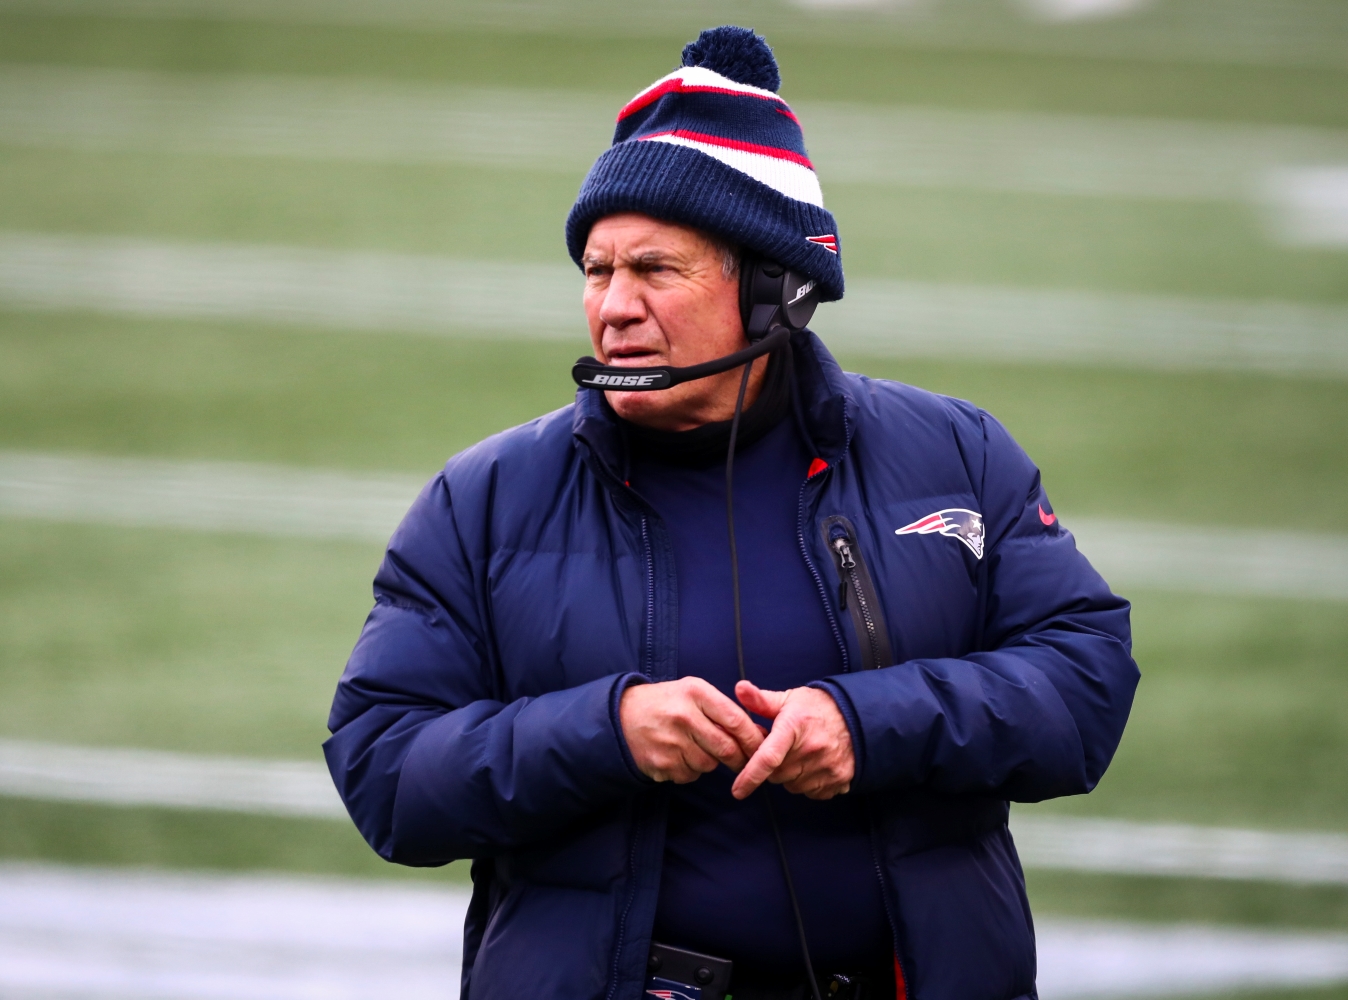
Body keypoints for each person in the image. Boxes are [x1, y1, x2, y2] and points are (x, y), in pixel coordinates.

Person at [324, 26, 1138, 1000]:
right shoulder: (488, 498)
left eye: (654, 270)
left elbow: (1084, 683)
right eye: (596, 270)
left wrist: (869, 725)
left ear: (772, 291)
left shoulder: (955, 454)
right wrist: (607, 730)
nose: (612, 306)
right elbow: (385, 769)